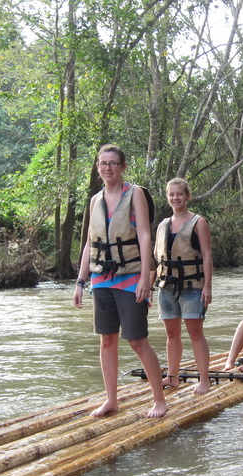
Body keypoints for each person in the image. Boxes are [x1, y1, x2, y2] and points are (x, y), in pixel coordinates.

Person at [73, 144, 167, 418]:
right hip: (101, 277)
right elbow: (90, 242)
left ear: (123, 166)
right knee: (106, 340)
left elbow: (145, 237)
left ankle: (159, 400)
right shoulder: (95, 200)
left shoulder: (135, 193)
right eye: (103, 163)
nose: (107, 168)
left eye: (113, 163)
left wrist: (146, 280)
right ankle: (111, 399)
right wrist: (81, 282)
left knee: (137, 340)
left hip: (132, 275)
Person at [154, 178, 213, 395]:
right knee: (171, 334)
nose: (175, 198)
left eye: (179, 194)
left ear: (187, 196)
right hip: (166, 286)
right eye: (172, 194)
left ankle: (204, 379)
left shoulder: (198, 222)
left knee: (195, 333)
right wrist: (150, 286)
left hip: (192, 286)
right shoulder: (162, 225)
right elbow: (156, 259)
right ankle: (173, 377)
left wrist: (207, 286)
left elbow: (207, 256)